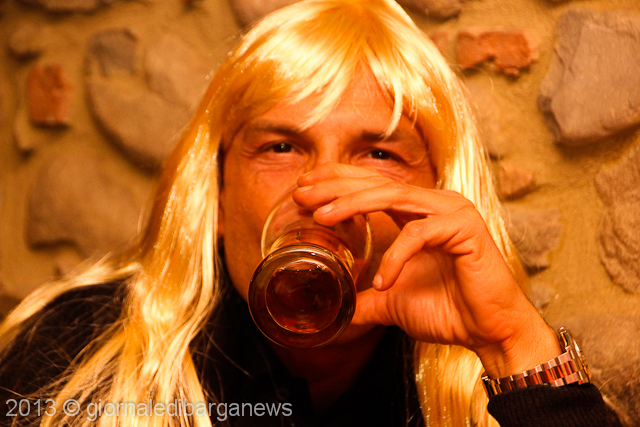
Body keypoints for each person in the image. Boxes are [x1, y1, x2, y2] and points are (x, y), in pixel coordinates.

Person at [0, 0, 612, 426]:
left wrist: (511, 345)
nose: (322, 193)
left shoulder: (479, 381)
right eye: (280, 148)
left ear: (436, 196)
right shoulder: (79, 357)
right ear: (216, 196)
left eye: (378, 153)